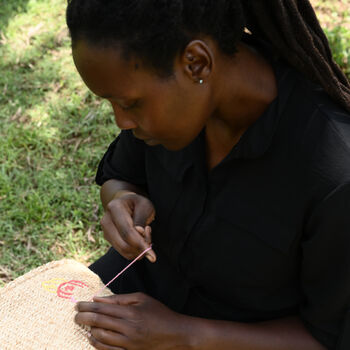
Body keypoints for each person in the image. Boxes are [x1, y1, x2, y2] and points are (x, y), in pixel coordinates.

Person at [66, 1, 350, 349]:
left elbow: (328, 339)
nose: (121, 122)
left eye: (129, 104)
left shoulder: (335, 174)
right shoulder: (172, 106)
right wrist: (121, 198)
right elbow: (121, 176)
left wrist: (183, 335)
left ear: (196, 63)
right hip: (128, 306)